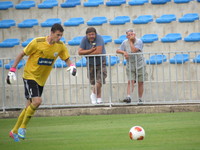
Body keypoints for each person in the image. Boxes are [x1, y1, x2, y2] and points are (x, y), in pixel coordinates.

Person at [6, 23, 76, 142]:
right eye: (58, 35)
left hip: (41, 79)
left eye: (61, 36)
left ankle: (14, 131)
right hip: (30, 75)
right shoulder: (37, 42)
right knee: (37, 101)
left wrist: (72, 66)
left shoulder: (60, 46)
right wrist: (12, 69)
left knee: (29, 106)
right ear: (51, 33)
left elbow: (67, 59)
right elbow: (22, 53)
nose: (59, 38)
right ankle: (23, 128)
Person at [116, 29, 147, 104]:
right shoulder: (124, 42)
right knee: (130, 81)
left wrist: (130, 41)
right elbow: (118, 50)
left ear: (134, 35)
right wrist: (124, 52)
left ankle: (140, 99)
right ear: (126, 36)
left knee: (140, 82)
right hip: (130, 63)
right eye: (128, 35)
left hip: (140, 63)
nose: (130, 36)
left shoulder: (139, 41)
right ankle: (128, 97)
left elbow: (134, 50)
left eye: (131, 34)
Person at [78, 27, 107, 104]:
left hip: (101, 61)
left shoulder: (99, 38)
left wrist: (86, 53)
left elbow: (98, 51)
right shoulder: (84, 39)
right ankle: (98, 98)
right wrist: (90, 50)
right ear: (87, 35)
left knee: (99, 80)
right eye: (89, 35)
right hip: (90, 63)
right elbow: (80, 52)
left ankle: (93, 94)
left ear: (95, 34)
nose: (91, 36)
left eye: (93, 34)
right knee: (94, 82)